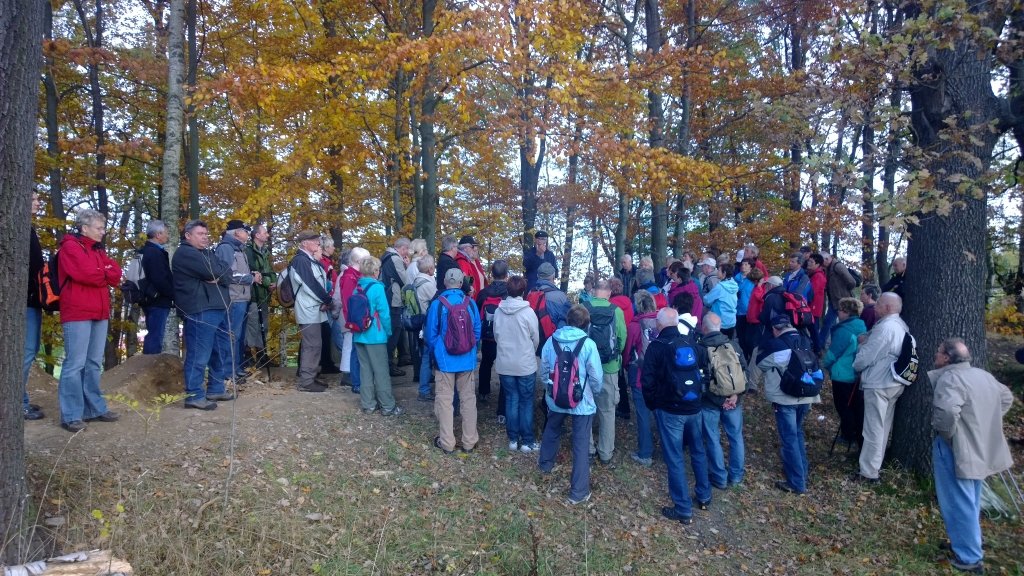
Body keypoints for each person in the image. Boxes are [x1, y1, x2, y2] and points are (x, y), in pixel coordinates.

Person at [931, 338, 1014, 575]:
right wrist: (983, 421)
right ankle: (966, 544)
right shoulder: (983, 375)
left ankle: (969, 556)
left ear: (947, 357)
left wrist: (950, 435)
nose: (935, 355)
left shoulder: (950, 378)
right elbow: (1006, 397)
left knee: (958, 501)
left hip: (958, 447)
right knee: (971, 498)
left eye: (939, 352)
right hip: (977, 445)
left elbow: (947, 413)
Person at [56, 209, 123, 432]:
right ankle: (71, 415)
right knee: (75, 364)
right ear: (84, 228)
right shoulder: (70, 246)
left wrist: (102, 271)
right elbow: (85, 274)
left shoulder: (97, 249)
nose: (103, 232)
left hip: (99, 311)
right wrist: (103, 271)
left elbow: (115, 274)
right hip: (77, 311)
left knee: (93, 363)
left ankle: (93, 408)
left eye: (103, 228)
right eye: (99, 228)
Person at [642, 307, 711, 523]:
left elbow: (647, 381)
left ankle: (683, 508)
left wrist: (653, 405)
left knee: (675, 458)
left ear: (659, 324)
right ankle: (704, 496)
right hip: (694, 407)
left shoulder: (656, 347)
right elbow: (704, 366)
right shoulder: (690, 343)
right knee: (698, 452)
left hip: (670, 410)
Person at [538, 304, 604, 505]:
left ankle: (545, 464)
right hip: (582, 401)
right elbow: (596, 377)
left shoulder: (551, 341)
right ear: (586, 324)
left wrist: (551, 389)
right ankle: (578, 491)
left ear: (567, 320)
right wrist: (593, 393)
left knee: (552, 429)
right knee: (581, 442)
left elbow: (544, 370)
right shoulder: (589, 345)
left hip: (556, 399)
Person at [173, 219, 233, 411]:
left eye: (206, 234)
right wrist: (217, 274)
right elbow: (213, 271)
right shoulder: (185, 253)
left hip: (217, 307)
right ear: (188, 235)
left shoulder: (207, 253)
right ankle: (194, 395)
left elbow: (227, 272)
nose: (205, 237)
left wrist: (218, 276)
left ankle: (216, 389)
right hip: (200, 309)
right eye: (200, 234)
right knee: (199, 354)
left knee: (220, 352)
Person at [851, 292, 911, 483]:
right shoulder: (901, 325)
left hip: (879, 381)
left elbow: (867, 356)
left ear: (888, 307)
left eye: (878, 304)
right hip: (892, 381)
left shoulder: (886, 328)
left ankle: (868, 472)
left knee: (873, 428)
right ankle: (874, 465)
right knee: (882, 427)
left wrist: (857, 360)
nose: (875, 307)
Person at [757, 314, 820, 494]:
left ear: (775, 329)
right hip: (807, 394)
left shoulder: (775, 345)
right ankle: (802, 472)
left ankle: (796, 482)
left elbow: (760, 364)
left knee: (789, 438)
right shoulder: (805, 340)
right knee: (797, 433)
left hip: (785, 398)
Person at [427, 268, 481, 453]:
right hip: (467, 360)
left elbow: (431, 335)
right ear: (461, 283)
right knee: (468, 399)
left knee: (444, 401)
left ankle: (447, 443)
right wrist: (469, 349)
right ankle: (469, 441)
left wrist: (438, 351)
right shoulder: (470, 304)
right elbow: (477, 332)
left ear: (444, 282)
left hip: (445, 361)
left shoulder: (437, 304)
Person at [583, 279, 627, 466]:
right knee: (608, 411)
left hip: (586, 367)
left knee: (586, 409)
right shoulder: (616, 311)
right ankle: (605, 452)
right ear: (609, 293)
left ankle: (588, 449)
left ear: (594, 291)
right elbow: (622, 338)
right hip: (609, 366)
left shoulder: (583, 308)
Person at [493, 275, 539, 452]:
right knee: (526, 402)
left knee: (511, 399)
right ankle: (527, 441)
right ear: (523, 291)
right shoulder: (528, 312)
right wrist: (529, 351)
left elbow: (496, 335)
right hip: (525, 363)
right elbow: (535, 338)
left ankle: (513, 439)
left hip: (505, 363)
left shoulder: (499, 311)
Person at [699, 313, 745, 488]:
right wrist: (736, 396)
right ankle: (736, 476)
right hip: (734, 401)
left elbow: (701, 382)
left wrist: (718, 400)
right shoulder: (734, 345)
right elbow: (744, 372)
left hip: (710, 403)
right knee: (736, 437)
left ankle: (719, 477)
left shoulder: (701, 348)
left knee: (712, 438)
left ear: (704, 327)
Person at [289, 230, 332, 393]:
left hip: (314, 308)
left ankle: (310, 377)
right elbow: (310, 285)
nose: (318, 243)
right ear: (304, 243)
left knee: (315, 344)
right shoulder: (301, 261)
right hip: (308, 309)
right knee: (311, 345)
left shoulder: (308, 260)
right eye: (314, 241)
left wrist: (324, 301)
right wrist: (327, 300)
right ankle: (306, 381)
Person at [214, 220, 257, 380]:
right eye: (246, 231)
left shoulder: (238, 248)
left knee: (238, 337)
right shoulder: (227, 248)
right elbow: (227, 274)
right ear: (237, 232)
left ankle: (236, 368)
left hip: (241, 297)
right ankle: (227, 373)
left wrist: (251, 276)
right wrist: (250, 278)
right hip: (233, 298)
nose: (248, 234)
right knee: (230, 336)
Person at [822, 297, 867, 448]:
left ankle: (848, 435)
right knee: (854, 406)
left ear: (847, 312)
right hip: (855, 374)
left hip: (842, 374)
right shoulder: (861, 326)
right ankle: (854, 433)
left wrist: (825, 365)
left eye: (840, 310)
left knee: (843, 406)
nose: (838, 313)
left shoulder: (844, 330)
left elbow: (833, 353)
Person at [624, 291, 659, 466]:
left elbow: (627, 350)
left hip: (639, 375)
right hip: (661, 376)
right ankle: (669, 449)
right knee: (661, 412)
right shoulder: (662, 321)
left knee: (643, 414)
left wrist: (625, 366)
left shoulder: (634, 325)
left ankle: (645, 453)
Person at [23, 193, 45, 420]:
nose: (38, 203)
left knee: (28, 351)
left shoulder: (27, 228)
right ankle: (17, 403)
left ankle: (20, 398)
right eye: (33, 199)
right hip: (25, 301)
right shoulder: (18, 229)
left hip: (31, 300)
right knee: (26, 351)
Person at [476, 259, 509, 405]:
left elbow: (477, 313)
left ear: (492, 274)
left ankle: (483, 392)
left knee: (486, 362)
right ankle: (504, 396)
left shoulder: (483, 293)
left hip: (487, 335)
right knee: (505, 366)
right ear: (506, 275)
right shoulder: (509, 293)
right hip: (504, 336)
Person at [138, 220, 175, 354]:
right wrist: (173, 294)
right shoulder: (154, 253)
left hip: (150, 298)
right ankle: (150, 363)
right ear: (158, 235)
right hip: (157, 300)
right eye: (166, 233)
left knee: (154, 334)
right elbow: (160, 279)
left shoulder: (145, 251)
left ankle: (149, 361)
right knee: (155, 336)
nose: (167, 236)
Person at [337, 247, 370, 393]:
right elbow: (349, 301)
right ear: (359, 261)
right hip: (353, 319)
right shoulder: (350, 277)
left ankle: (354, 376)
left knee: (354, 348)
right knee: (352, 348)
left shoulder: (355, 276)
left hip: (355, 318)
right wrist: (354, 321)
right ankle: (351, 377)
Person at [244, 223, 276, 366]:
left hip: (263, 295)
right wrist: (268, 283)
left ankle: (261, 354)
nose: (267, 235)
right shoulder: (248, 251)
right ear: (257, 235)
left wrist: (274, 282)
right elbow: (254, 272)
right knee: (252, 324)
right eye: (264, 232)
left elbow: (269, 270)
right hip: (253, 295)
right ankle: (247, 356)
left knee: (264, 325)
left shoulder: (265, 252)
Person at [380, 237, 411, 376]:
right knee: (394, 331)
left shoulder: (385, 257)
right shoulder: (395, 259)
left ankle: (388, 363)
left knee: (393, 331)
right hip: (393, 299)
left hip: (388, 298)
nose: (407, 253)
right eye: (407, 250)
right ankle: (388, 365)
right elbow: (405, 280)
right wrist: (407, 267)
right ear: (403, 248)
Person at [412, 254, 438, 402]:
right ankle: (424, 390)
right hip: (427, 323)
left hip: (419, 323)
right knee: (428, 357)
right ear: (429, 269)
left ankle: (424, 388)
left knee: (425, 356)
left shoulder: (416, 281)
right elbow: (438, 301)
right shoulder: (428, 284)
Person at [820, 252, 857, 349]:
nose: (821, 264)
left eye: (822, 261)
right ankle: (823, 345)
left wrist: (844, 293)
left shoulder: (838, 266)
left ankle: (822, 344)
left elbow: (852, 282)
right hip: (835, 301)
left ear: (827, 259)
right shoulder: (828, 269)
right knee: (829, 323)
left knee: (841, 323)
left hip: (843, 301)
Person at [609, 276, 634, 420]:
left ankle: (623, 406)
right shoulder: (628, 302)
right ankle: (625, 405)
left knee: (618, 377)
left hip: (617, 341)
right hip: (629, 339)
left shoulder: (610, 305)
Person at [318, 236, 341, 375]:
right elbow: (326, 284)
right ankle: (325, 363)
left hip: (330, 301)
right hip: (327, 302)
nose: (333, 248)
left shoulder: (327, 262)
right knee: (325, 333)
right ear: (326, 248)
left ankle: (327, 362)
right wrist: (328, 300)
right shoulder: (323, 263)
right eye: (331, 246)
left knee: (328, 333)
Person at [703, 262, 739, 339]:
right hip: (731, 321)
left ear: (724, 273)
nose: (717, 272)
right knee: (728, 343)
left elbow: (707, 300)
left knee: (717, 343)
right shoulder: (734, 284)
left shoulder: (720, 287)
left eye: (719, 270)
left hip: (720, 321)